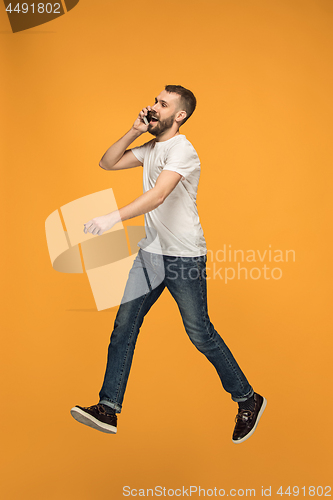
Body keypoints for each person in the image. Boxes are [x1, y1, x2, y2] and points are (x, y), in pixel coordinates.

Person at [70, 85, 266, 443]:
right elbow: (107, 162)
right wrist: (133, 129)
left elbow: (158, 195)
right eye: (155, 101)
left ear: (180, 116)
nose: (153, 107)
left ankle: (248, 398)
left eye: (163, 104)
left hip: (183, 257)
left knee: (200, 333)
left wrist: (111, 218)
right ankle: (108, 408)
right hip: (151, 254)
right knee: (124, 327)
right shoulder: (151, 147)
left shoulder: (183, 150)